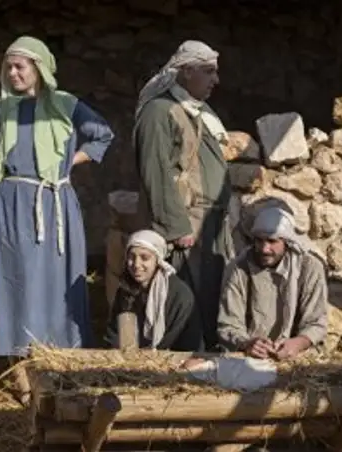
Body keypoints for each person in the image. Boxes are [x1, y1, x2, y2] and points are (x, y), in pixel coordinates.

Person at [0, 36, 114, 358]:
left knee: (56, 276)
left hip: (54, 201)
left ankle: (61, 351)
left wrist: (70, 161)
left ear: (38, 69)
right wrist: (2, 188)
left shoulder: (67, 105)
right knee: (17, 276)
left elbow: (102, 134)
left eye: (19, 66)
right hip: (12, 204)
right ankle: (18, 354)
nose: (13, 73)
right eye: (8, 67)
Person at [133, 40, 233, 350]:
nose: (216, 80)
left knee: (211, 297)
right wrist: (175, 225)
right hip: (188, 225)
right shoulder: (158, 112)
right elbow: (156, 171)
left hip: (210, 222)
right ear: (187, 72)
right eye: (209, 72)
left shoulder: (195, 111)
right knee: (189, 299)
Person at [218, 206, 328, 360]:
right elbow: (228, 324)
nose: (264, 249)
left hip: (297, 358)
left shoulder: (309, 268)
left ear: (286, 242)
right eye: (259, 240)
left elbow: (316, 323)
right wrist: (247, 343)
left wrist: (297, 344)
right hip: (250, 357)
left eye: (271, 241)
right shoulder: (238, 269)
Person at [104, 230, 204, 352]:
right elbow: (114, 333)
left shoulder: (178, 293)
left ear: (157, 260)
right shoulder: (125, 290)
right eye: (131, 257)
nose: (136, 264)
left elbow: (183, 339)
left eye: (144, 258)